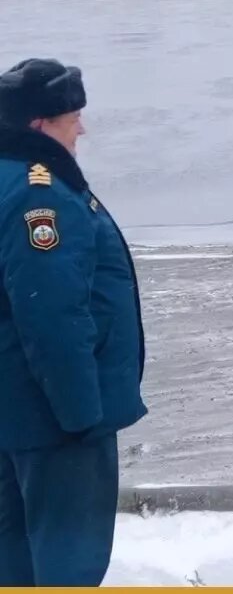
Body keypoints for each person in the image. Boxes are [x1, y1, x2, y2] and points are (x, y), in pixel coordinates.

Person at [0, 59, 147, 586]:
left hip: (15, 412)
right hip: (55, 419)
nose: (81, 129)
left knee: (16, 554)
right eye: (71, 118)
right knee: (68, 560)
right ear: (40, 125)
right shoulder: (40, 195)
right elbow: (51, 315)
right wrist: (82, 415)